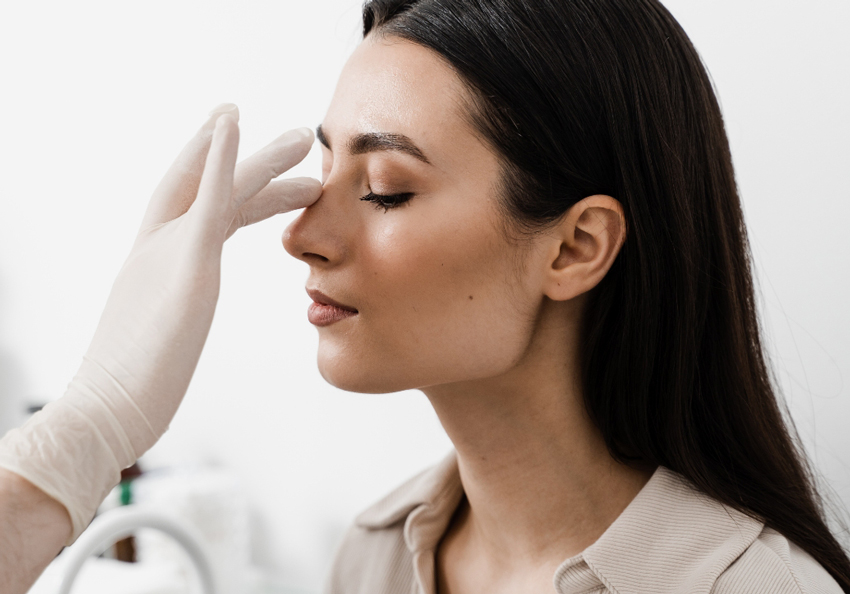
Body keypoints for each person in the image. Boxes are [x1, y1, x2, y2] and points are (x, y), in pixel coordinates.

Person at [0, 0, 848, 593]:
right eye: (325, 170)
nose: (299, 234)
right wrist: (83, 429)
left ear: (576, 247)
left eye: (385, 189)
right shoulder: (375, 556)